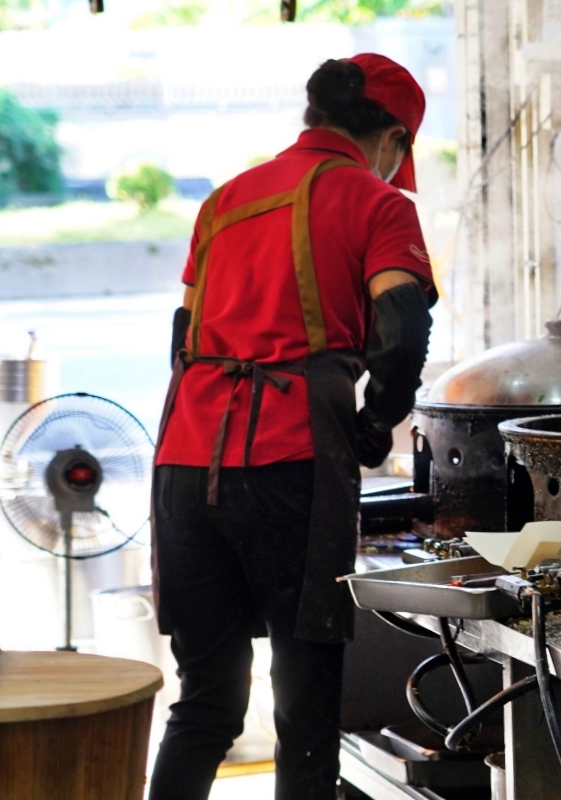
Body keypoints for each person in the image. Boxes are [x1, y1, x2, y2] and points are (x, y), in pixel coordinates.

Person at [148, 54, 436, 800]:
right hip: (291, 464)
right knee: (305, 708)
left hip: (184, 460)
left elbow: (185, 333)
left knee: (205, 700)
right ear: (392, 139)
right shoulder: (378, 203)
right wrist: (376, 424)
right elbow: (402, 327)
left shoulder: (223, 201)